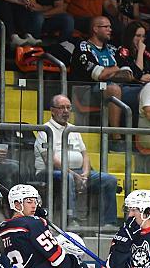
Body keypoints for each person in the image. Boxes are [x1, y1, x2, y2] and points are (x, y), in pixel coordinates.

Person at [34, 94, 118, 227]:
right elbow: (50, 159)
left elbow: (85, 154)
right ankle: (71, 219)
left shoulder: (73, 129)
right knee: (68, 177)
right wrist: (75, 175)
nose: (66, 111)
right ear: (52, 110)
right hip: (50, 172)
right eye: (62, 108)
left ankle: (109, 223)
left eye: (68, 107)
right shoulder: (45, 130)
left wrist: (85, 173)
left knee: (109, 180)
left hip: (78, 172)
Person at [69, 16, 140, 142]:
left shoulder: (113, 49)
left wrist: (108, 72)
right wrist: (116, 69)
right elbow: (98, 75)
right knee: (113, 89)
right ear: (95, 29)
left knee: (146, 90)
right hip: (87, 93)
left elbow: (129, 74)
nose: (110, 30)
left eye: (110, 27)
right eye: (106, 27)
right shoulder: (83, 48)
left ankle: (141, 138)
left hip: (119, 88)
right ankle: (115, 138)